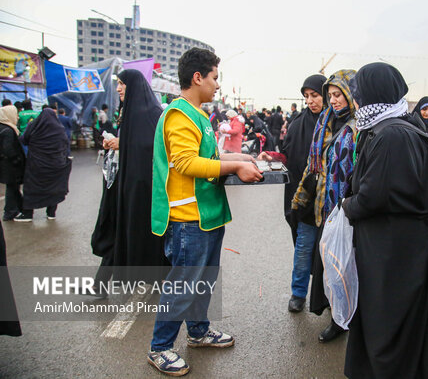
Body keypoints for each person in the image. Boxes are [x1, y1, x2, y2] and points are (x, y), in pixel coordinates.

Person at [147, 48, 262, 376]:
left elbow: (207, 155)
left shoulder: (198, 115)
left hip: (207, 213)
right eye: (214, 78)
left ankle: (198, 332)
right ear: (197, 78)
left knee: (203, 280)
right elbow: (185, 163)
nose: (217, 85)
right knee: (184, 283)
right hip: (188, 218)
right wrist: (234, 166)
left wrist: (239, 159)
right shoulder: (179, 115)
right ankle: (160, 347)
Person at [341, 62, 428, 379]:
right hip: (394, 245)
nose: (355, 101)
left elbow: (373, 197)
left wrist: (346, 205)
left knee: (390, 323)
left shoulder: (392, 135)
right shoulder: (392, 126)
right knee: (389, 320)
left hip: (395, 252)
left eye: (357, 93)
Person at [289, 69, 357, 342]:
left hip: (343, 208)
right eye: (330, 95)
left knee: (338, 263)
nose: (332, 100)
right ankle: (303, 296)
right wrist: (299, 197)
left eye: (336, 94)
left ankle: (340, 317)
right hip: (315, 204)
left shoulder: (356, 125)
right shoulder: (323, 121)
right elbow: (310, 162)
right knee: (312, 254)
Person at [89, 69, 168, 285]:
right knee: (118, 228)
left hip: (143, 188)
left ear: (134, 85)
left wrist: (121, 144)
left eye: (122, 83)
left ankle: (103, 283)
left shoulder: (152, 112)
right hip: (125, 183)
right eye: (118, 84)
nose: (118, 88)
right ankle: (100, 283)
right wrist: (115, 143)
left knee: (134, 232)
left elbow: (153, 147)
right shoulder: (130, 110)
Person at [259, 74, 326, 245]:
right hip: (304, 201)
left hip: (328, 203)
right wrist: (272, 157)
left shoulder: (336, 123)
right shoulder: (297, 123)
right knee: (303, 256)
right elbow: (287, 156)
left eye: (315, 95)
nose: (310, 101)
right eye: (306, 96)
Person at [14, 108, 71, 222]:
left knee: (32, 188)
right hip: (56, 165)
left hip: (36, 165)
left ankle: (27, 214)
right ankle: (51, 213)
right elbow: (65, 145)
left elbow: (24, 139)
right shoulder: (60, 129)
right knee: (54, 188)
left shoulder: (34, 127)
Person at [0, 106, 25, 221]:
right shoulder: (8, 130)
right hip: (9, 165)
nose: (18, 117)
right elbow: (8, 148)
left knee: (14, 187)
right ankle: (10, 212)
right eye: (15, 114)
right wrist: (16, 160)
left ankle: (21, 207)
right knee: (12, 187)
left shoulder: (2, 127)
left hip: (4, 164)